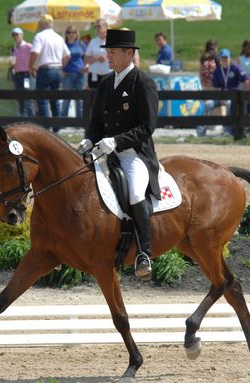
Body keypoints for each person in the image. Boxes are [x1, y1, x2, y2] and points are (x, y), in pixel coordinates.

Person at [77, 29, 159, 280]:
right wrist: (89, 139)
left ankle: (144, 253)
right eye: (108, 52)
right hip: (104, 151)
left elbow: (147, 127)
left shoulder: (143, 83)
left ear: (129, 53)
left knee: (135, 192)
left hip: (134, 154)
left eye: (112, 52)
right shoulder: (104, 84)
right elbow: (95, 122)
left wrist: (117, 141)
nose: (108, 56)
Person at [29, 14, 70, 122]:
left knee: (42, 99)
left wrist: (31, 66)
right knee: (55, 99)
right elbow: (67, 55)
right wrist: (61, 66)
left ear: (42, 24)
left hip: (45, 70)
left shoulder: (40, 36)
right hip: (57, 69)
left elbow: (34, 52)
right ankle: (57, 126)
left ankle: (46, 127)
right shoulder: (59, 37)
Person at [212, 48, 249, 134]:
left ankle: (228, 129)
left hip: (234, 96)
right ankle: (203, 129)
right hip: (221, 96)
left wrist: (246, 94)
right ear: (220, 59)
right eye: (223, 58)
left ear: (230, 58)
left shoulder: (236, 68)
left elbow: (246, 80)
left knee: (229, 104)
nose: (225, 60)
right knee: (208, 104)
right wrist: (219, 97)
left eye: (226, 58)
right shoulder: (217, 70)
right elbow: (215, 86)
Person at [61, 25, 86, 118]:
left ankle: (80, 122)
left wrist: (86, 66)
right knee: (66, 98)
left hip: (80, 74)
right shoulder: (63, 45)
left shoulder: (81, 44)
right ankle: (63, 121)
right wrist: (61, 70)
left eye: (73, 32)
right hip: (67, 74)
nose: (71, 34)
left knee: (79, 99)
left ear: (76, 34)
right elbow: (59, 58)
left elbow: (86, 58)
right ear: (66, 34)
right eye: (69, 32)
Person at [196, 39, 218, 137]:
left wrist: (201, 81)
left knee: (206, 104)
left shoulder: (203, 57)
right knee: (211, 105)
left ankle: (205, 125)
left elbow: (200, 71)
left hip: (205, 84)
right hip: (213, 84)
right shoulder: (216, 58)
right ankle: (210, 124)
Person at [10, 27, 33, 117]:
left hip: (26, 75)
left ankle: (31, 119)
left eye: (17, 34)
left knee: (28, 97)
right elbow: (12, 62)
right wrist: (11, 65)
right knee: (19, 97)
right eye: (14, 35)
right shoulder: (13, 48)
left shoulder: (28, 46)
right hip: (17, 75)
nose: (15, 37)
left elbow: (35, 57)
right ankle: (23, 118)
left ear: (22, 35)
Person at [84, 19, 111, 89]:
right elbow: (86, 59)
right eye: (95, 27)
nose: (97, 28)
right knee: (95, 98)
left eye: (99, 26)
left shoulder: (112, 41)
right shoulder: (93, 41)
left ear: (106, 27)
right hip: (95, 76)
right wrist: (97, 58)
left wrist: (107, 56)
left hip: (109, 75)